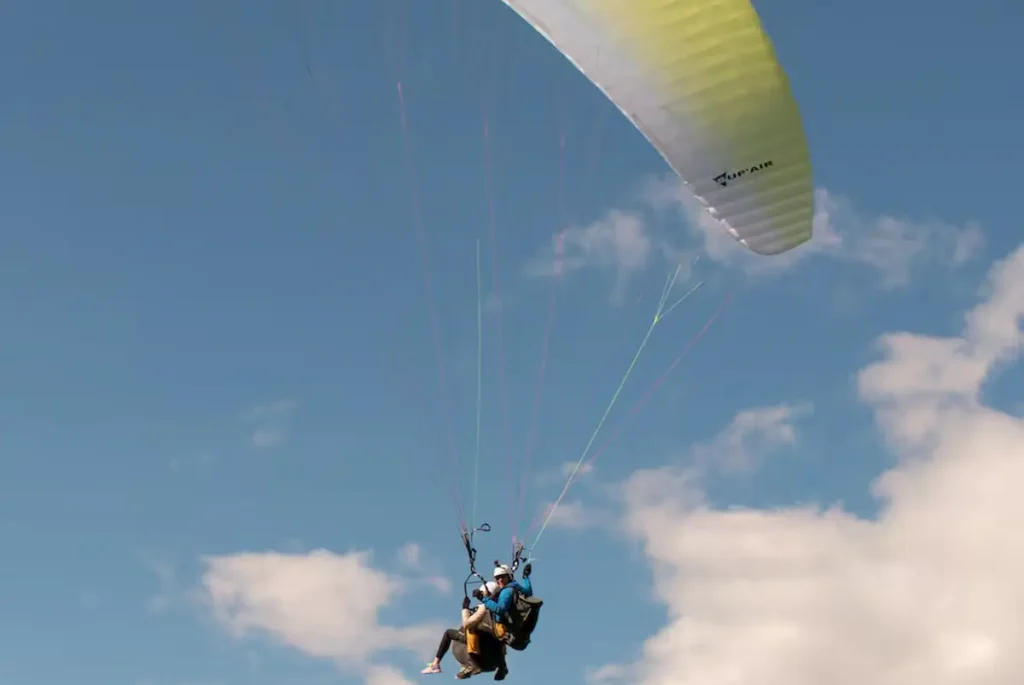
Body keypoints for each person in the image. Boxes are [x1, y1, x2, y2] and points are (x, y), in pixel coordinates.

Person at [421, 582, 505, 679]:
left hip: (479, 639)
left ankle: (436, 664)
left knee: (449, 633)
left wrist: (465, 609)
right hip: (493, 657)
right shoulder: (499, 609)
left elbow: (467, 624)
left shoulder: (484, 608)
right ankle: (502, 666)